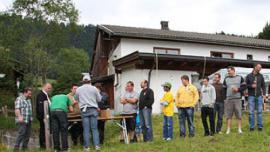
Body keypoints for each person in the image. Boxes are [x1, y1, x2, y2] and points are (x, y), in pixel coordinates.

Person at [75, 75, 102, 151]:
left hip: (84, 109)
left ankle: (87, 147)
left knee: (86, 129)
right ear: (90, 81)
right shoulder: (94, 88)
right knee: (94, 129)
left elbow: (76, 99)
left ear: (83, 81)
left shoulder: (79, 89)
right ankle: (97, 146)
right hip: (93, 109)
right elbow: (99, 99)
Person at [223, 66, 246, 134]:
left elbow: (244, 86)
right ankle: (228, 129)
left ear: (233, 70)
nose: (228, 72)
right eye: (228, 71)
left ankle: (239, 129)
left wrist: (238, 90)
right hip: (228, 99)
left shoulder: (240, 77)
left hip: (237, 99)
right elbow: (224, 89)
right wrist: (225, 98)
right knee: (228, 115)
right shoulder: (226, 78)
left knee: (238, 115)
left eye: (229, 71)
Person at [246, 63, 266, 131]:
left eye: (261, 67)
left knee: (259, 112)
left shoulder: (261, 76)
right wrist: (251, 86)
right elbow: (245, 85)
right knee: (251, 112)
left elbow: (263, 85)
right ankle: (251, 127)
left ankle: (260, 127)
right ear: (255, 67)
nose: (260, 68)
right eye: (259, 67)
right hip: (251, 96)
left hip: (259, 96)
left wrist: (264, 94)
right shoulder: (248, 76)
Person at [36, 83, 52, 149]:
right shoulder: (41, 95)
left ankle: (46, 144)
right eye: (48, 88)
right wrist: (43, 117)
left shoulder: (46, 95)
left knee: (46, 130)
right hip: (43, 117)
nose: (50, 89)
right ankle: (43, 146)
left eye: (50, 88)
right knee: (43, 131)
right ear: (44, 87)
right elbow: (40, 108)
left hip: (47, 116)